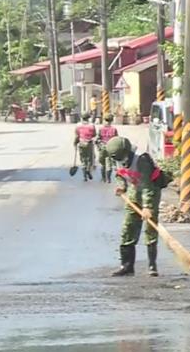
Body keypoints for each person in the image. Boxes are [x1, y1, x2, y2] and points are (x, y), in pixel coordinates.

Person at [105, 136, 171, 277]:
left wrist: (147, 206)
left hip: (150, 192)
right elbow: (120, 174)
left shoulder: (141, 159)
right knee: (128, 228)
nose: (120, 161)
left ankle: (152, 266)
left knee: (150, 229)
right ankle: (127, 266)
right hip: (133, 191)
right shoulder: (117, 159)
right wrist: (121, 187)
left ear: (126, 151)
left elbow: (147, 185)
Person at [73, 113, 97, 181]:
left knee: (83, 160)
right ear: (88, 118)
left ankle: (84, 177)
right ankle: (88, 170)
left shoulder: (78, 125)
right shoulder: (92, 125)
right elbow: (94, 134)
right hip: (89, 144)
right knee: (90, 159)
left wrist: (75, 143)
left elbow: (77, 136)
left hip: (81, 144)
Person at [96, 113, 119, 183]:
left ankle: (103, 178)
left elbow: (97, 139)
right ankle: (108, 178)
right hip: (111, 148)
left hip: (103, 147)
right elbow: (116, 139)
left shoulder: (101, 129)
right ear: (111, 120)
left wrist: (98, 146)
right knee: (109, 163)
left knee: (103, 164)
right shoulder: (114, 129)